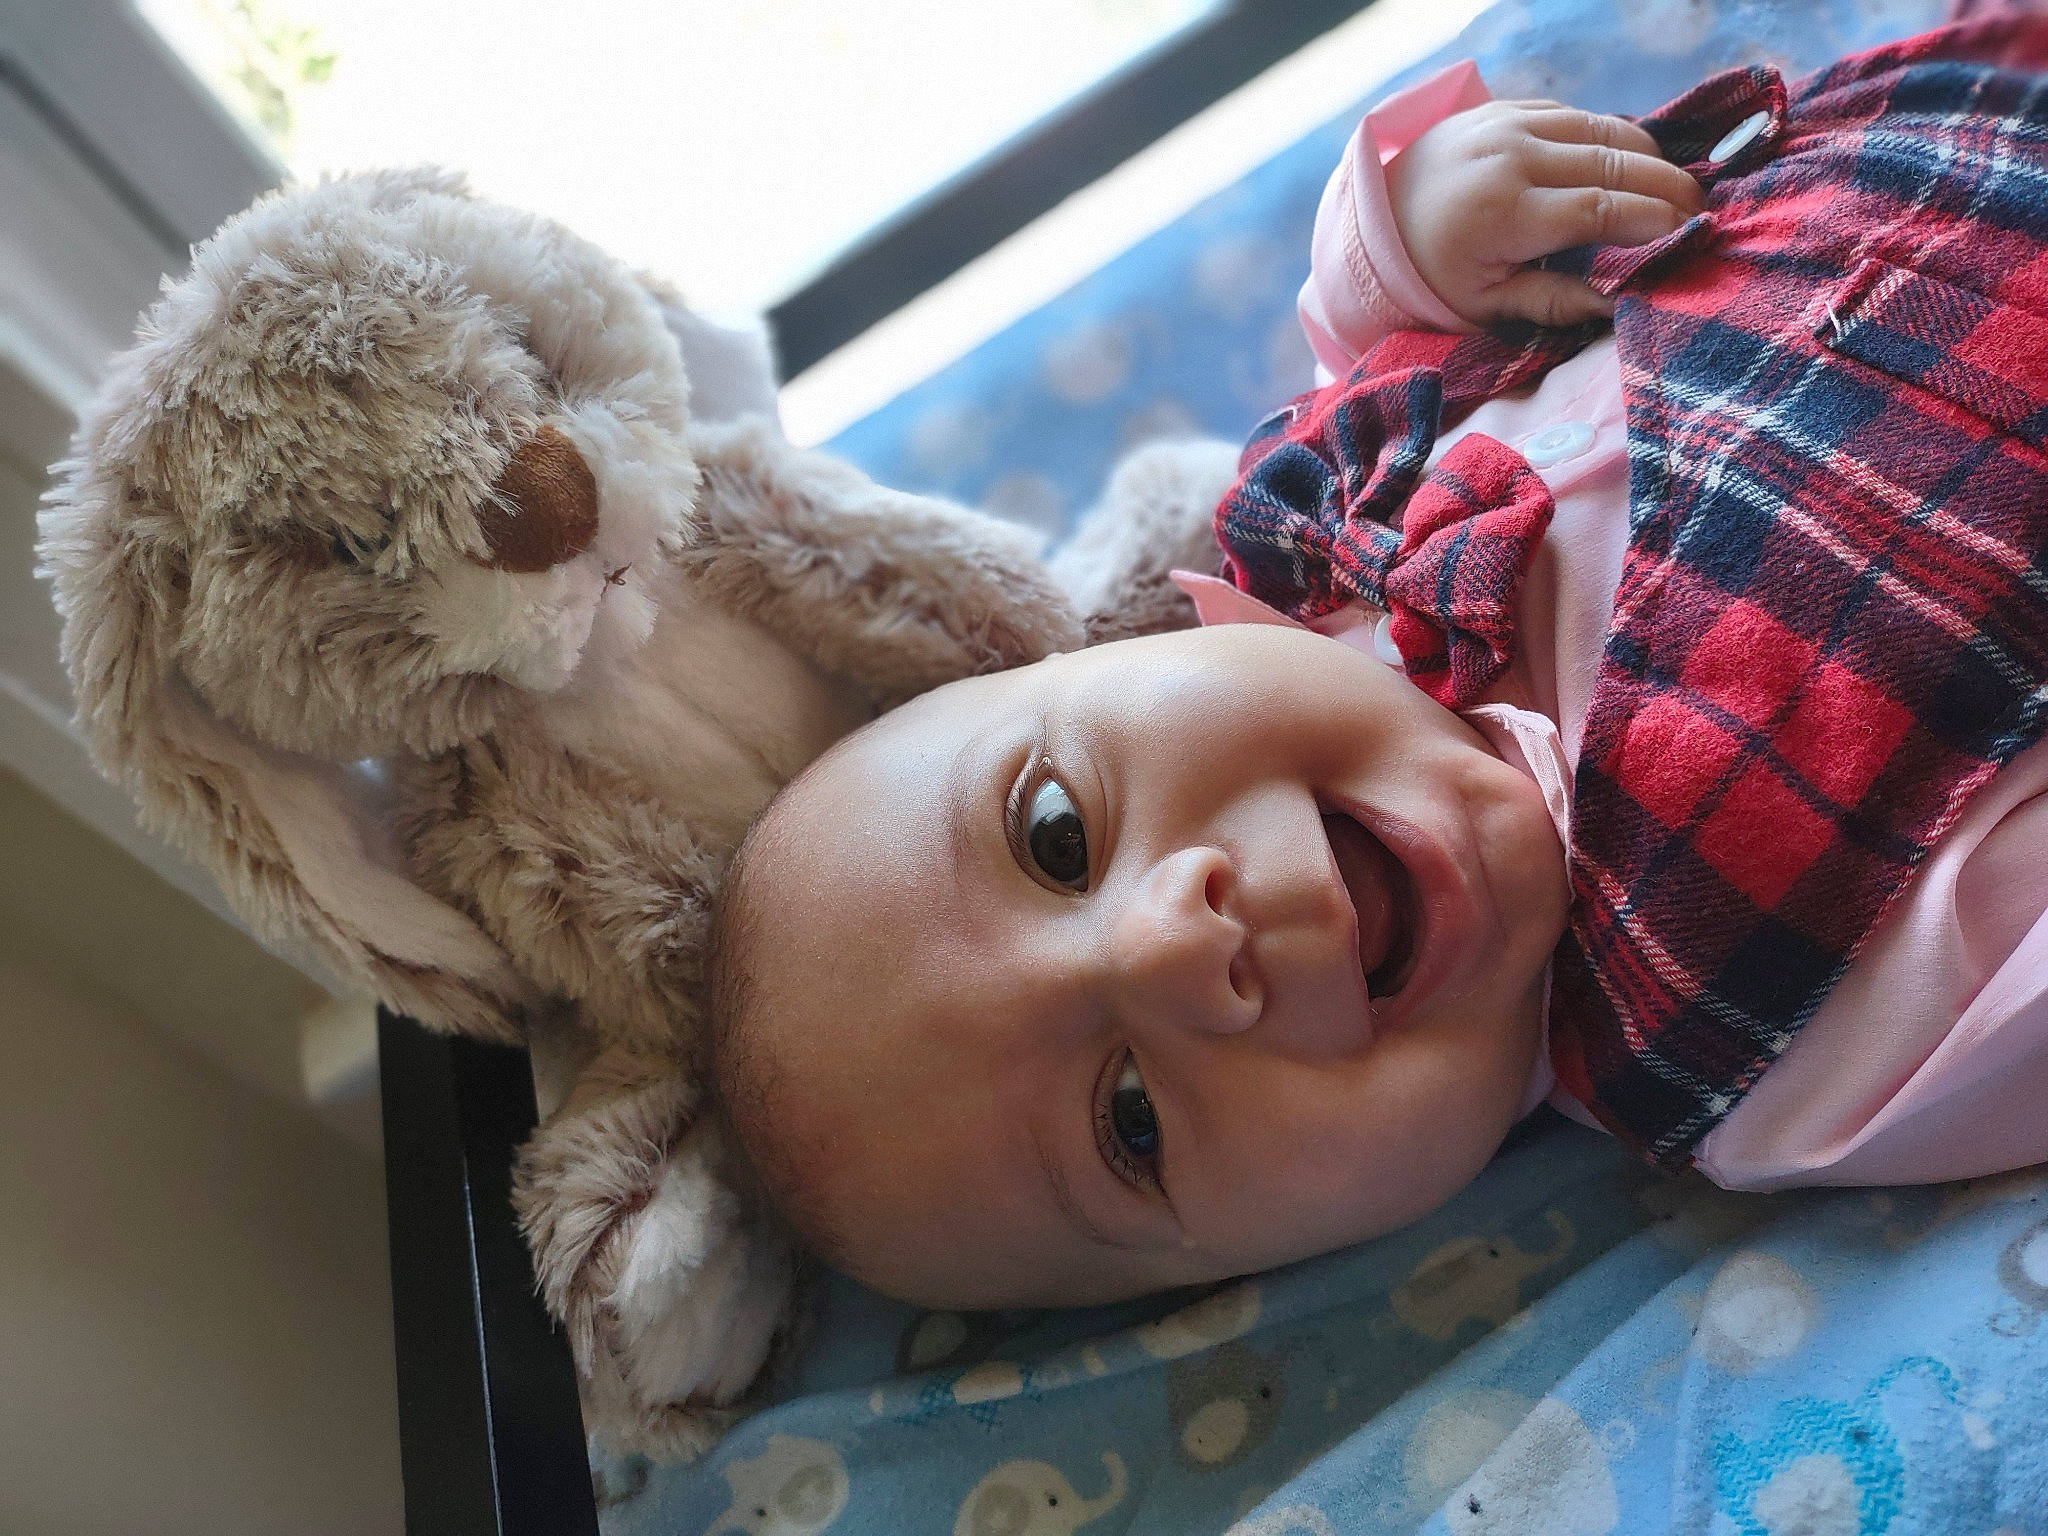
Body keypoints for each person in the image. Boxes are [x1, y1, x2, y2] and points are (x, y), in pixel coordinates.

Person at [709, 12, 2048, 1311]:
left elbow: (1395, 334)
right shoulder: (1770, 1050)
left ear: (1142, 647)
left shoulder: (1332, 524)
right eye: (1130, 1123)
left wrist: (1409, 240)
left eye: (1056, 832)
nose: (1182, 947)